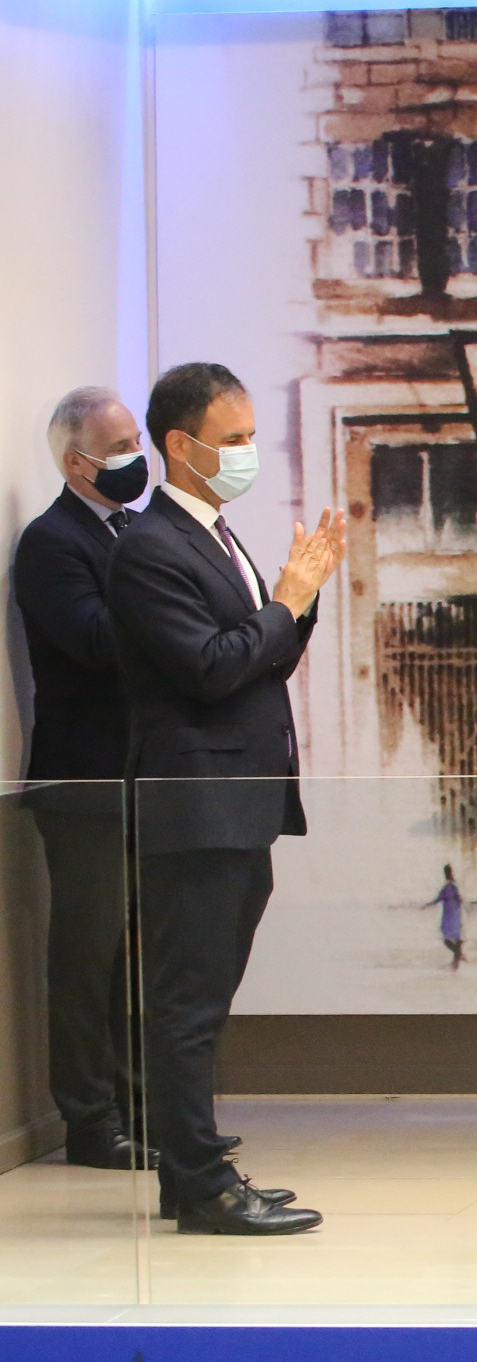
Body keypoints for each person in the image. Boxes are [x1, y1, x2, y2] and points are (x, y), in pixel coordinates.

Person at [110, 362, 347, 1234]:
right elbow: (209, 668)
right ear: (182, 445)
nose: (249, 451)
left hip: (240, 798)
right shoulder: (149, 547)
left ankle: (192, 1173)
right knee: (187, 1002)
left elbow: (262, 656)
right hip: (195, 803)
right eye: (234, 438)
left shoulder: (213, 532)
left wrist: (299, 604)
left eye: (251, 435)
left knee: (205, 998)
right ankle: (203, 1184)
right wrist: (285, 600)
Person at [15, 387, 154, 1173]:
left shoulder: (132, 529)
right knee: (87, 956)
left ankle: (142, 1109)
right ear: (76, 462)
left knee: (137, 958)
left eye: (137, 439)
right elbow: (96, 639)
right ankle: (91, 1120)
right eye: (121, 445)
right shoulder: (51, 541)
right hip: (84, 781)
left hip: (144, 776)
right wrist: (170, 608)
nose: (137, 456)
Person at [424, 864, 465, 970]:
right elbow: (459, 900)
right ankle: (456, 961)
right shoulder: (452, 887)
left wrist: (427, 905)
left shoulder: (447, 888)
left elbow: (437, 899)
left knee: (448, 939)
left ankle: (456, 961)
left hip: (449, 916)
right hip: (455, 915)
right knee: (456, 939)